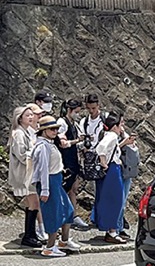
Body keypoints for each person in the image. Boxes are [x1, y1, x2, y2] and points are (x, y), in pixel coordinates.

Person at [28, 115, 79, 257]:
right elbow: (43, 169)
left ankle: (63, 240)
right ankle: (50, 247)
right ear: (43, 130)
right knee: (53, 214)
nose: (55, 131)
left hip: (55, 180)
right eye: (51, 129)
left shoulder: (48, 143)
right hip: (49, 181)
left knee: (67, 209)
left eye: (56, 129)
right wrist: (45, 189)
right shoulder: (43, 146)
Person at [93, 114, 128, 244]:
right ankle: (112, 231)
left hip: (110, 170)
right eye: (121, 124)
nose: (122, 127)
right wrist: (104, 163)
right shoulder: (112, 136)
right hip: (112, 169)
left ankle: (110, 229)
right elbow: (101, 148)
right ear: (115, 126)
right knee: (116, 199)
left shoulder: (107, 135)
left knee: (107, 198)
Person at [9, 104, 41, 248]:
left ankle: (31, 234)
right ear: (20, 118)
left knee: (32, 203)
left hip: (28, 172)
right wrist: (34, 151)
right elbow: (22, 155)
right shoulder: (19, 133)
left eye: (31, 115)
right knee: (33, 203)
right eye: (27, 115)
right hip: (24, 173)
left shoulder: (26, 131)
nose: (30, 117)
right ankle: (29, 235)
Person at [55, 98, 86, 228]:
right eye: (76, 112)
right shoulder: (62, 122)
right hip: (65, 160)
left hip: (74, 160)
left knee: (74, 188)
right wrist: (77, 141)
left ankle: (73, 214)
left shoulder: (74, 123)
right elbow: (62, 143)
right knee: (64, 188)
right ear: (69, 110)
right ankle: (63, 215)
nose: (77, 114)